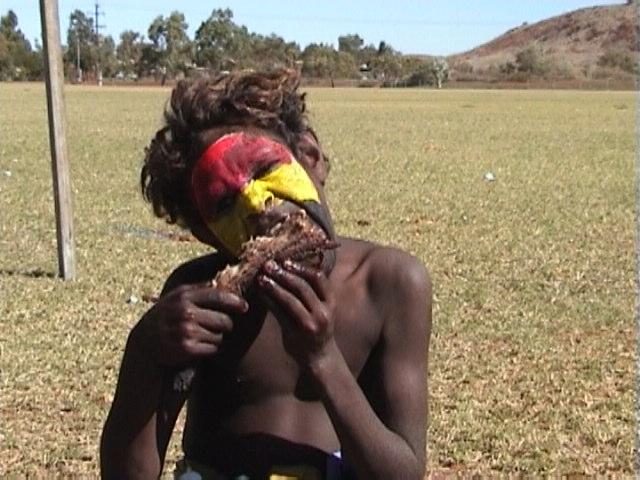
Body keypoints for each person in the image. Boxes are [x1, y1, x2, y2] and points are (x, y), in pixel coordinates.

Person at [100, 69, 432, 480]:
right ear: (206, 232)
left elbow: (404, 472)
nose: (258, 205)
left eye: (263, 170)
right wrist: (144, 352)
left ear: (310, 157)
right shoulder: (199, 300)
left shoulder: (390, 283)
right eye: (224, 203)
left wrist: (323, 358)